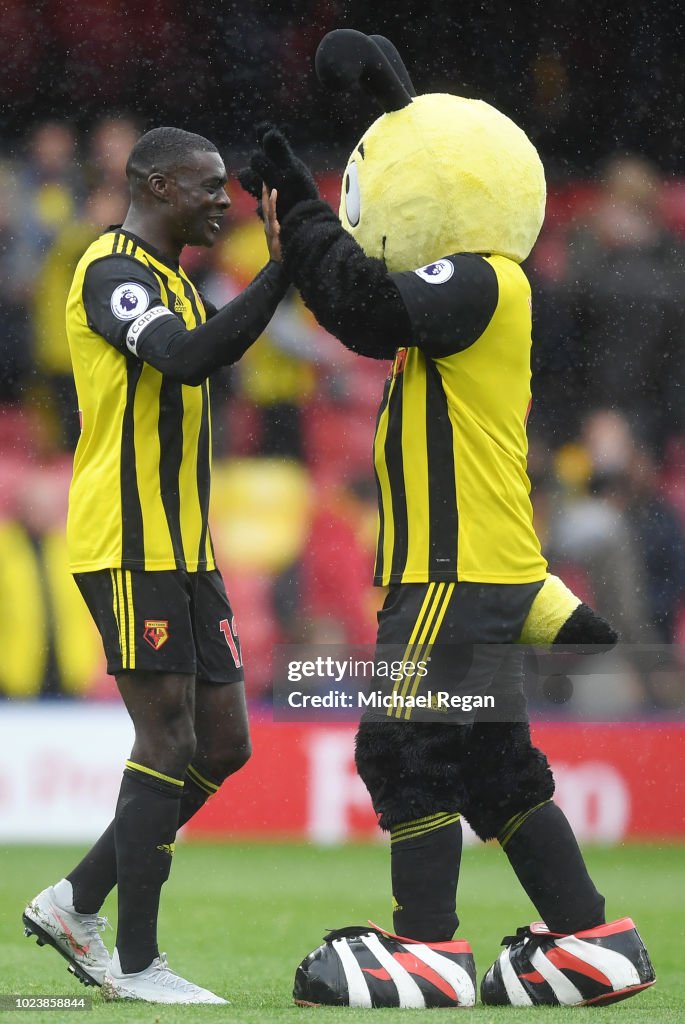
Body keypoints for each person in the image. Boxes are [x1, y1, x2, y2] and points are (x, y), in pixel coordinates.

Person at [241, 30, 655, 1010]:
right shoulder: (479, 296)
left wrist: (303, 213)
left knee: (402, 744)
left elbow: (360, 306)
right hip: (478, 568)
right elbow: (368, 309)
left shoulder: (476, 277)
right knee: (490, 762)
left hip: (452, 575)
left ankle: (424, 947)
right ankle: (587, 938)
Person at [22, 126, 288, 1004]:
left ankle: (75, 900)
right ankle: (136, 963)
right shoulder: (112, 271)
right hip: (126, 541)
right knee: (166, 737)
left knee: (223, 743)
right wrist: (283, 272)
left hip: (182, 543)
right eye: (209, 186)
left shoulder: (172, 277)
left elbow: (216, 349)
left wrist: (284, 274)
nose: (225, 199)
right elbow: (185, 354)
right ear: (157, 184)